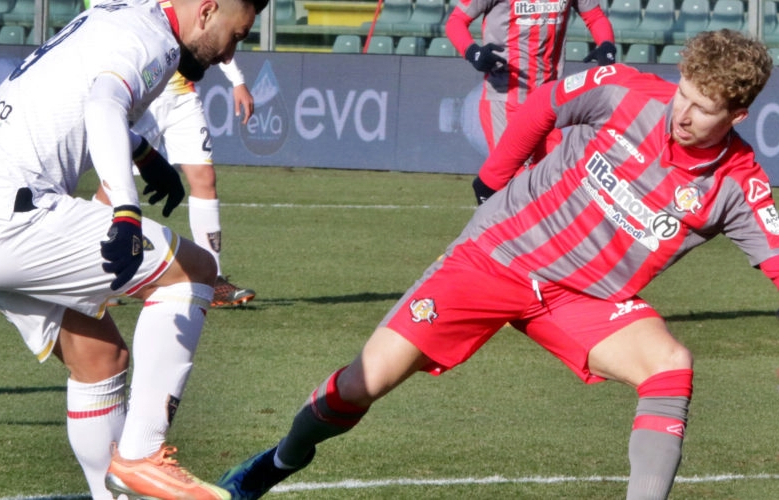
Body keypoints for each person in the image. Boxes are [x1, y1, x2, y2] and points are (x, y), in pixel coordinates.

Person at [215, 29, 779, 500]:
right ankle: (281, 460)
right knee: (365, 382)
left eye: (703, 109)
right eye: (683, 95)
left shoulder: (739, 184)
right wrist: (492, 180)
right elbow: (546, 103)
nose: (683, 114)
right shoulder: (628, 92)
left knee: (669, 365)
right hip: (497, 255)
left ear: (738, 114)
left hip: (581, 298)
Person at [0, 0, 266, 499]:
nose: (229, 54)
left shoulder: (118, 14)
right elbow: (105, 101)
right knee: (194, 270)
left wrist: (143, 153)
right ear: (208, 10)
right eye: (236, 36)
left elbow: (81, 91)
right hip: (3, 217)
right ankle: (143, 452)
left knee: (100, 357)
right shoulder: (155, 40)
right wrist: (125, 209)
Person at [87, 0, 257, 308]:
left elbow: (217, 25)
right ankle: (91, 271)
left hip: (182, 96)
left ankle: (213, 279)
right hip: (145, 92)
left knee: (204, 178)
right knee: (113, 184)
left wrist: (238, 81)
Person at [445, 0, 616, 202]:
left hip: (548, 100)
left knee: (555, 180)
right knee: (510, 183)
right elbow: (456, 21)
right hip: (505, 98)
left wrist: (606, 44)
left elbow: (595, 16)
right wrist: (472, 52)